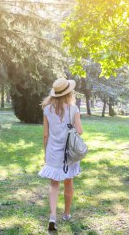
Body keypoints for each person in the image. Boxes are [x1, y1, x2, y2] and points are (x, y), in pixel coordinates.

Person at [38, 78, 84, 231]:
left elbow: (45, 134)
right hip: (68, 152)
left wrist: (45, 152)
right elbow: (80, 131)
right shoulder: (73, 109)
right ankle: (66, 214)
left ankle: (52, 217)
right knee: (68, 182)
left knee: (54, 185)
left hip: (52, 151)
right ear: (68, 92)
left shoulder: (47, 109)